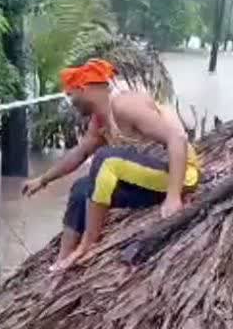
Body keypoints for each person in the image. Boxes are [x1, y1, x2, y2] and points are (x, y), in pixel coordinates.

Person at [22, 58, 200, 271]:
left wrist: (173, 197)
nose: (72, 103)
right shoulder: (99, 122)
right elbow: (79, 154)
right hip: (148, 181)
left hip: (179, 174)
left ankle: (88, 245)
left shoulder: (125, 105)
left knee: (105, 159)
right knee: (81, 188)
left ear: (84, 89)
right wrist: (42, 180)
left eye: (71, 96)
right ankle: (63, 259)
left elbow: (177, 139)